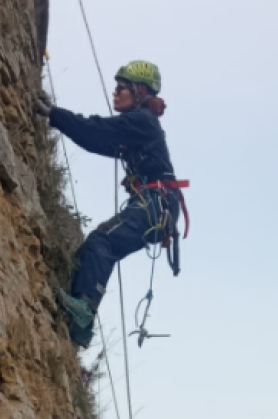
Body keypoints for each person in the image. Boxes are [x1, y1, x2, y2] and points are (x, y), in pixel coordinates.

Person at [34, 60, 188, 347]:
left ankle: (84, 313)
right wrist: (57, 118)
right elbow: (94, 139)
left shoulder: (142, 121)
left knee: (101, 242)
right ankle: (80, 322)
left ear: (139, 91)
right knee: (91, 251)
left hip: (156, 203)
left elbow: (97, 130)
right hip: (156, 205)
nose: (115, 93)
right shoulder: (137, 128)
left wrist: (54, 114)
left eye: (121, 89)